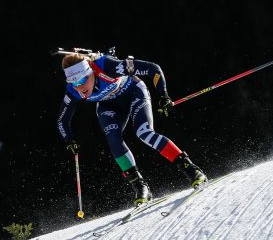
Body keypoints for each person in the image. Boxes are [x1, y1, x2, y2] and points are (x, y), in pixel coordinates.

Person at [57, 50, 207, 205]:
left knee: (144, 133)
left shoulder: (109, 66)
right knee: (113, 139)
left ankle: (191, 170)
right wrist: (69, 139)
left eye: (82, 80)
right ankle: (140, 187)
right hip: (108, 106)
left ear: (90, 71)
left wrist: (163, 95)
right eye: (73, 84)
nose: (79, 87)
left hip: (134, 92)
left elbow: (153, 69)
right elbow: (62, 120)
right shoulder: (72, 92)